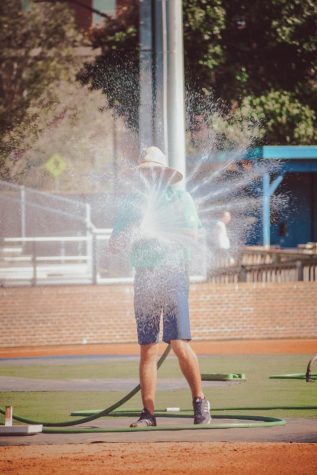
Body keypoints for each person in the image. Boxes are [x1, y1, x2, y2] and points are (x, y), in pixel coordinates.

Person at [109, 146, 211, 427]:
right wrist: (132, 232)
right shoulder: (133, 203)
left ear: (164, 173)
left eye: (154, 171)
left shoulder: (180, 198)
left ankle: (200, 401)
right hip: (144, 275)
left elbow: (193, 234)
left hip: (174, 272)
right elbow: (114, 245)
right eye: (146, 172)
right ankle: (148, 414)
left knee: (178, 343)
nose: (150, 176)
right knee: (148, 348)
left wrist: (159, 232)